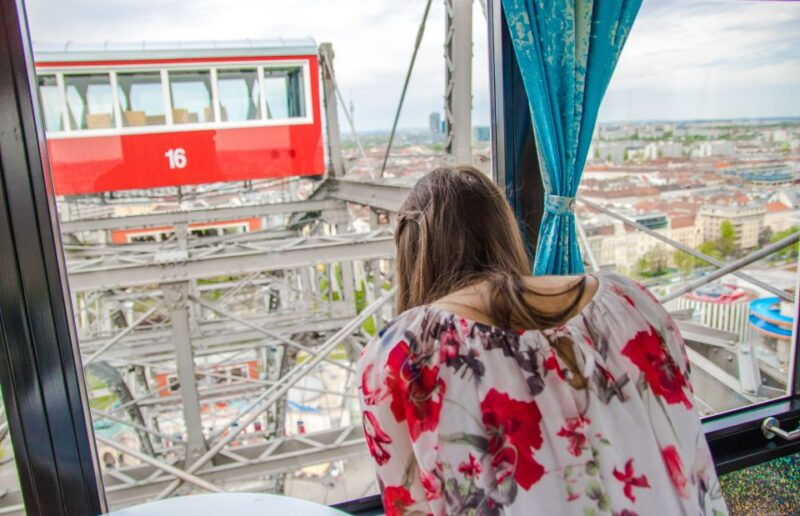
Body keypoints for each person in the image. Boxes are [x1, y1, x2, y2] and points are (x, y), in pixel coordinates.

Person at [357, 166, 728, 515]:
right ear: (504, 231)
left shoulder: (403, 354)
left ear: (413, 256)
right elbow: (687, 448)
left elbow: (409, 504)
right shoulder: (631, 302)